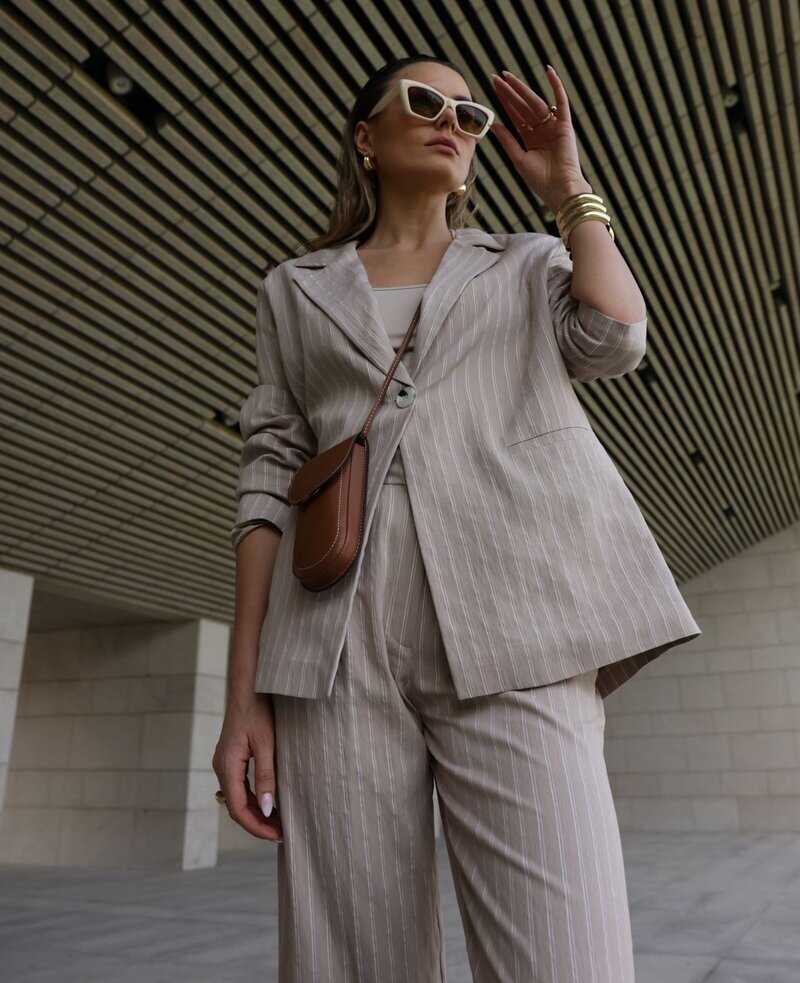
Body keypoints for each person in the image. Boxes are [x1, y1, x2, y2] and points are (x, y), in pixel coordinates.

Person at [213, 54, 701, 982]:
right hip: (333, 640)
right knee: (349, 961)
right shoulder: (294, 288)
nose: (453, 121)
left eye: (469, 114)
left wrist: (569, 190)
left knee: (570, 960)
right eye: (426, 102)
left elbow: (615, 336)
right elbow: (268, 479)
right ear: (366, 136)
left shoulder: (525, 261)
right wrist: (246, 696)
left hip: (518, 617)